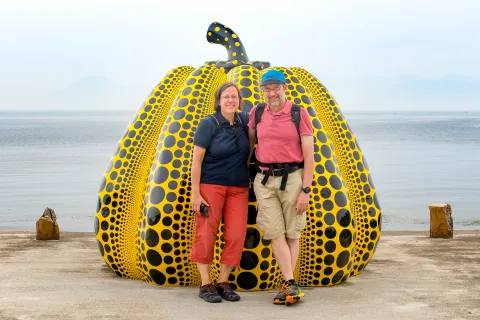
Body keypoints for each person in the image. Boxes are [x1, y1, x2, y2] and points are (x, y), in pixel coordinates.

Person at [248, 70, 314, 306]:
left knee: (292, 233)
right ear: (262, 91)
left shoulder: (299, 114)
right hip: (264, 180)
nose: (272, 92)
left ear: (284, 88)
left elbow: (309, 154)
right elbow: (250, 144)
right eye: (267, 89)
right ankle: (290, 283)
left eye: (276, 87)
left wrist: (306, 190)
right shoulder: (257, 113)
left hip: (292, 178)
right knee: (275, 232)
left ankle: (288, 283)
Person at [190, 82, 250, 303]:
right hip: (211, 185)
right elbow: (196, 162)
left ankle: (223, 281)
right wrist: (195, 194)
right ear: (218, 100)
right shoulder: (209, 123)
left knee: (236, 235)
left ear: (239, 101)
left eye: (234, 97)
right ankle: (205, 284)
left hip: (239, 187)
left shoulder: (244, 121)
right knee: (206, 234)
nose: (231, 100)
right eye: (226, 97)